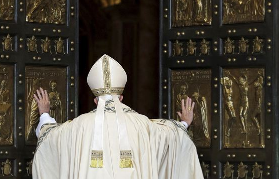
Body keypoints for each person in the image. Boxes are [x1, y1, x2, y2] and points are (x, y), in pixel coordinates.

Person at [32, 55, 203, 179]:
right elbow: (170, 137)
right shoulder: (141, 124)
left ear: (94, 100)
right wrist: (184, 123)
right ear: (121, 97)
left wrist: (45, 113)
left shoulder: (78, 125)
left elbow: (50, 137)